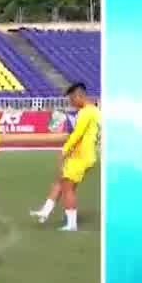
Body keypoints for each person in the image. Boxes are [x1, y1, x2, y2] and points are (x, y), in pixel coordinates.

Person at [33, 82, 100, 231]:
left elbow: (77, 134)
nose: (71, 103)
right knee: (61, 180)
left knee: (67, 187)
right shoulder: (94, 111)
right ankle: (46, 211)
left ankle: (71, 224)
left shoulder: (86, 112)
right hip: (86, 155)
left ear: (78, 96)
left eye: (71, 99)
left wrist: (64, 151)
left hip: (81, 156)